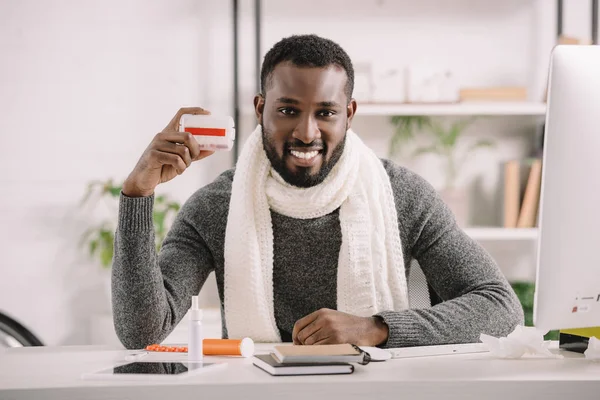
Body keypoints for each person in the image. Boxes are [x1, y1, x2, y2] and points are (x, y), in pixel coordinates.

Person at [113, 34, 523, 350]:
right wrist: (137, 193)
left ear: (349, 115)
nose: (306, 133)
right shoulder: (215, 206)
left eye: (325, 113)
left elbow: (500, 306)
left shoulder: (403, 195)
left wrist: (375, 327)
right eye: (288, 110)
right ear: (260, 109)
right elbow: (142, 331)